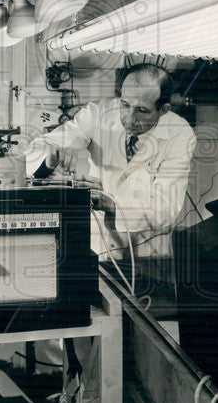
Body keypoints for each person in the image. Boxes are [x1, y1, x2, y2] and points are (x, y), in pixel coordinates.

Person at [25, 63, 196, 263]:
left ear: (164, 109)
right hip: (100, 245)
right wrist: (50, 157)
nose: (129, 119)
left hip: (149, 252)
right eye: (125, 105)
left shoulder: (179, 134)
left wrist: (112, 203)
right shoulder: (98, 114)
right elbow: (34, 152)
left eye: (142, 110)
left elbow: (165, 210)